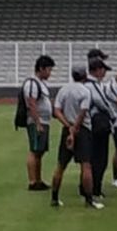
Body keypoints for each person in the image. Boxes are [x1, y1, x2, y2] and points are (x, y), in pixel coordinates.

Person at [51, 66, 103, 209]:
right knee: (86, 165)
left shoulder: (64, 89)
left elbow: (56, 110)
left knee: (61, 165)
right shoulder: (85, 91)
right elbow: (82, 112)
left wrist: (68, 126)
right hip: (82, 130)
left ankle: (54, 197)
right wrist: (74, 130)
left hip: (67, 129)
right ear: (84, 75)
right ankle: (89, 199)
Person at [85, 57, 115, 199]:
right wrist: (113, 115)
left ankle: (89, 187)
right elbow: (102, 102)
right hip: (97, 125)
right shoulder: (93, 85)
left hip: (90, 125)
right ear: (97, 70)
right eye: (103, 70)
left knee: (91, 159)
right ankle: (95, 188)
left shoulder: (86, 84)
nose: (104, 73)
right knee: (99, 159)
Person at [23, 55, 55, 191]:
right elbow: (31, 103)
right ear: (41, 69)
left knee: (40, 151)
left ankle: (38, 179)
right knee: (34, 150)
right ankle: (32, 181)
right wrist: (37, 122)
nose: (50, 73)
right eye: (48, 69)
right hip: (37, 121)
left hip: (43, 120)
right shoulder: (32, 83)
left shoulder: (40, 83)